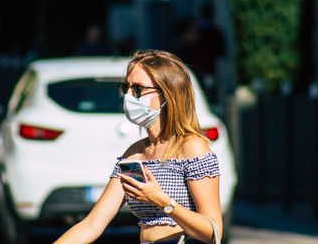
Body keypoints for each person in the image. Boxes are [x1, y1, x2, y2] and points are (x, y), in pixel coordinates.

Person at [54, 49, 222, 244]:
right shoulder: (134, 155)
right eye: (127, 88)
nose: (130, 96)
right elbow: (92, 224)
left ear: (167, 94)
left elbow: (213, 231)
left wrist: (160, 199)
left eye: (139, 89)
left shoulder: (192, 148)